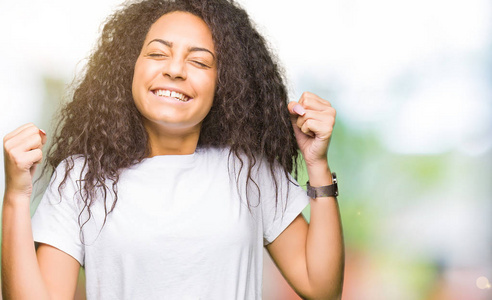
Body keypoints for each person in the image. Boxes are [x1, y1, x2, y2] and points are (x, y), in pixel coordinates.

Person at [2, 0, 344, 299]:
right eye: (157, 53)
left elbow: (321, 287)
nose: (175, 69)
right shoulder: (82, 178)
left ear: (223, 84)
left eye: (199, 62)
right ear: (130, 68)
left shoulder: (248, 171)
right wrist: (16, 196)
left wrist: (317, 165)